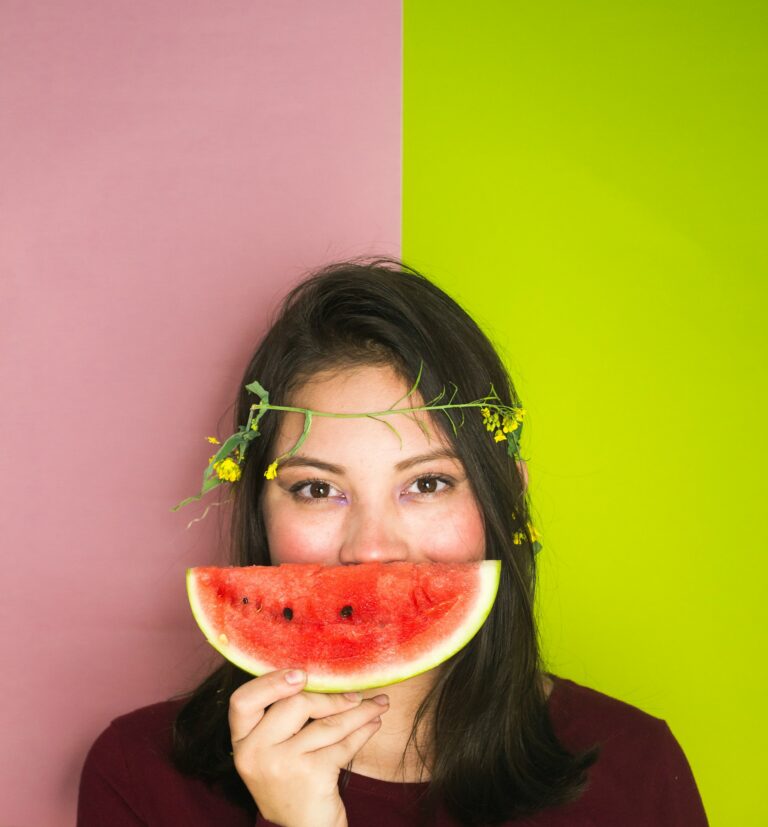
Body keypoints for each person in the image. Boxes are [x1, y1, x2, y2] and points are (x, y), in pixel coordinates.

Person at [78, 259, 708, 826]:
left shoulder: (635, 772)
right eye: (318, 490)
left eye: (428, 483)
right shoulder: (140, 778)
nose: (373, 549)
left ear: (504, 496)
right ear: (259, 507)